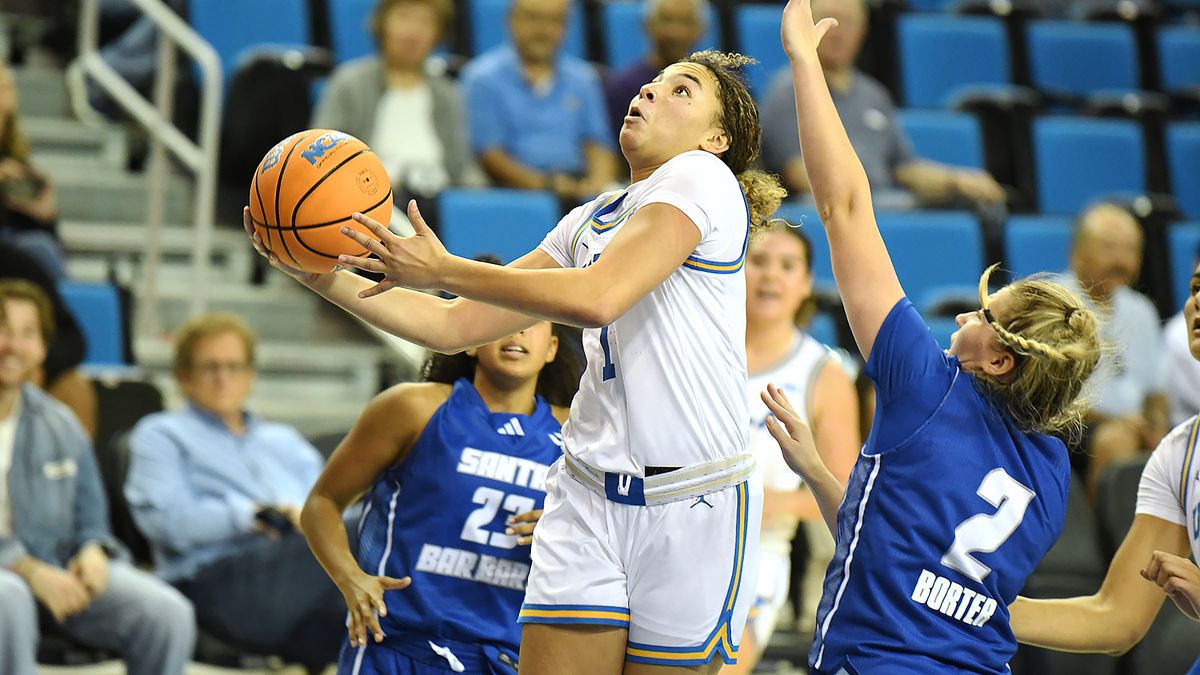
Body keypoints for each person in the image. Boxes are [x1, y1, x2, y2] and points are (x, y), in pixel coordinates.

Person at [247, 45, 787, 673]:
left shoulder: (703, 179)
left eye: (681, 91)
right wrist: (312, 272)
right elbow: (451, 327)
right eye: (652, 84)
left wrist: (444, 268)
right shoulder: (588, 221)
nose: (649, 92)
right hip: (587, 493)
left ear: (716, 139)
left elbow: (598, 298)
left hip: (690, 496)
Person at [765, 2, 1102, 672]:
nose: (961, 320)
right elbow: (906, 557)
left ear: (1002, 360)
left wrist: (804, 63)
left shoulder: (927, 385)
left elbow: (846, 208)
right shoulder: (1054, 470)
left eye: (983, 317)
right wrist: (822, 475)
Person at [301, 320, 581, 673]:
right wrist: (349, 577)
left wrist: (575, 525)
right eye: (503, 316)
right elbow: (321, 502)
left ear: (552, 348)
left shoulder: (578, 436)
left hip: (506, 658)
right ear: (472, 341)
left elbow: (618, 539)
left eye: (530, 320)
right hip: (397, 648)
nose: (516, 330)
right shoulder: (413, 408)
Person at [1008, 260, 1200, 675]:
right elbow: (1116, 617)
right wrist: (966, 604)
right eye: (1196, 288)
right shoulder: (1180, 455)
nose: (1198, 302)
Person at [125, 312, 343, 671]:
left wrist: (307, 519)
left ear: (250, 376)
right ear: (184, 377)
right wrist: (253, 516)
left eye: (234, 366)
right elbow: (168, 524)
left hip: (297, 580)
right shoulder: (161, 434)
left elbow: (327, 505)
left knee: (372, 540)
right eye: (210, 367)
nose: (223, 378)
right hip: (215, 584)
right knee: (362, 530)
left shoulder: (284, 441)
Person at [0, 279, 195, 675]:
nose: (13, 345)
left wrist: (91, 551)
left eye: (28, 333)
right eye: (2, 329)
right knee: (10, 597)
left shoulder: (59, 423)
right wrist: (27, 568)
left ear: (42, 347)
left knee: (166, 613)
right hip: (17, 581)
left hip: (57, 573)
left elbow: (91, 518)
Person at [726, 220, 859, 674]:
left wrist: (767, 502)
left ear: (805, 285)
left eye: (787, 266)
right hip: (666, 530)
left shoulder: (823, 372)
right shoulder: (697, 347)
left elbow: (844, 492)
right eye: (758, 261)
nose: (770, 275)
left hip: (754, 554)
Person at [759, 0, 1005, 211]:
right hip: (832, 211)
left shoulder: (874, 93)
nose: (837, 31)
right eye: (827, 20)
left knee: (974, 205)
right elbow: (801, 175)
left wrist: (956, 180)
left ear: (863, 29)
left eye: (847, 21)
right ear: (807, 27)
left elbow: (904, 167)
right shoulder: (787, 90)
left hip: (887, 207)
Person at [313, 0, 481, 204]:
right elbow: (322, 156)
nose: (413, 32)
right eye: (404, 17)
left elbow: (462, 168)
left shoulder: (448, 92)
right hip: (372, 199)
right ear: (383, 24)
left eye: (425, 21)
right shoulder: (349, 82)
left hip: (439, 199)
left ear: (438, 34)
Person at [1057, 202, 1168, 495]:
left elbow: (1155, 393)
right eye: (1109, 247)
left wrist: (1155, 425)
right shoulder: (1052, 303)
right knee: (1115, 441)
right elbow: (1051, 403)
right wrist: (1121, 422)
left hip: (1130, 425)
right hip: (1068, 427)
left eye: (1130, 249)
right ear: (1076, 252)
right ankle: (1109, 541)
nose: (1121, 260)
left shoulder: (1141, 310)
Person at [460, 0, 617, 203]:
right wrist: (547, 186)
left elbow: (598, 143)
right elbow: (490, 155)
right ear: (511, 20)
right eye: (534, 18)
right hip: (512, 194)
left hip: (576, 187)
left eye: (555, 21)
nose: (543, 30)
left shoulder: (583, 78)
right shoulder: (481, 78)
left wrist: (598, 184)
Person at [0, 243, 97, 438]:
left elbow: (72, 338)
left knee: (74, 387)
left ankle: (66, 461)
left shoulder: (14, 262)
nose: (15, 343)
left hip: (30, 378)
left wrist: (41, 366)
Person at [603, 0, 709, 140]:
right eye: (667, 20)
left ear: (701, 29)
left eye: (685, 22)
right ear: (648, 24)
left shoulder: (714, 87)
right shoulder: (621, 88)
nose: (675, 32)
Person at [0, 61, 65, 278]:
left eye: (7, 87)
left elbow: (36, 230)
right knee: (39, 249)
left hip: (14, 246)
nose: (4, 95)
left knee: (42, 247)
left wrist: (44, 215)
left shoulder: (17, 155)